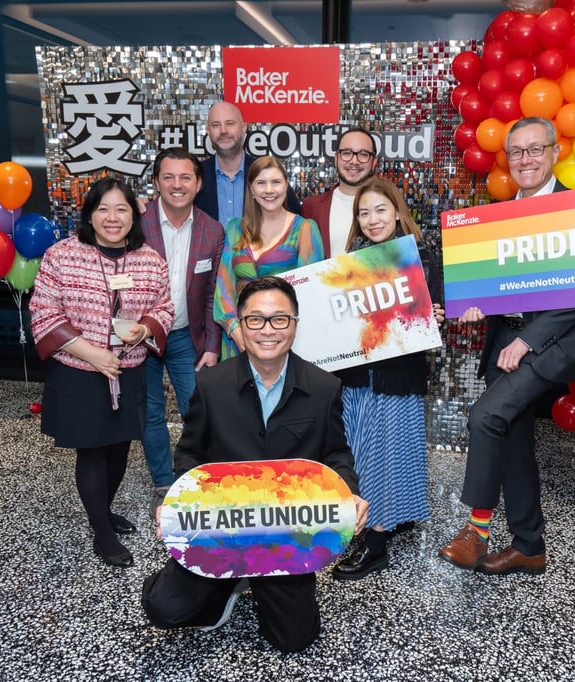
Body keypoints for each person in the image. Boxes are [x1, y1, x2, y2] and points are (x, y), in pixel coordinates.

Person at [142, 275, 368, 653]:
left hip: (285, 533)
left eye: (279, 319)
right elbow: (191, 455)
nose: (267, 330)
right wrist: (174, 500)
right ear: (240, 327)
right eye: (255, 320)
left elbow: (336, 455)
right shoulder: (211, 385)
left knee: (295, 639)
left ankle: (256, 583)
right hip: (221, 525)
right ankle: (226, 586)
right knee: (164, 610)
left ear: (294, 325)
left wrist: (350, 494)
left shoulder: (324, 387)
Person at [438, 117, 575, 576]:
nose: (525, 160)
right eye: (516, 152)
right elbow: (499, 287)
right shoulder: (502, 212)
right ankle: (530, 546)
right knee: (512, 441)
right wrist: (474, 306)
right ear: (507, 159)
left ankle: (476, 531)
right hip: (503, 341)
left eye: (535, 150)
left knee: (485, 416)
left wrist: (528, 341)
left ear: (555, 152)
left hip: (549, 344)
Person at [30, 177, 173, 568]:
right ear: (90, 214)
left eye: (121, 209)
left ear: (134, 215)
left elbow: (164, 308)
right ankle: (103, 533)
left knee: (119, 450)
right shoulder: (61, 256)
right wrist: (93, 354)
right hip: (79, 370)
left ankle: (103, 511)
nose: (113, 218)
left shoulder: (149, 260)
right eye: (103, 209)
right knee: (91, 452)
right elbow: (44, 313)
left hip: (128, 371)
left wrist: (144, 330)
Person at [331, 176, 444, 581]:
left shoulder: (420, 256)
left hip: (398, 376)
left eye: (380, 210)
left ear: (397, 211)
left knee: (390, 454)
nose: (372, 219)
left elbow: (435, 311)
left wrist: (435, 315)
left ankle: (376, 546)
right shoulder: (348, 262)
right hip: (358, 375)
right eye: (364, 212)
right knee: (361, 452)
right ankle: (378, 518)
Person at [140, 148, 225, 517]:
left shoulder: (212, 229)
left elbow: (212, 294)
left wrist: (211, 345)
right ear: (157, 181)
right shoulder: (136, 223)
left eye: (185, 177)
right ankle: (163, 481)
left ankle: (192, 477)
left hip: (186, 337)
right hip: (139, 337)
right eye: (169, 177)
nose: (177, 185)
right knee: (151, 412)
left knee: (198, 409)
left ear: (198, 183)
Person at [213, 155, 324, 358]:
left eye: (276, 182)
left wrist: (277, 332)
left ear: (286, 185)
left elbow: (310, 295)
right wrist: (235, 329)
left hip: (283, 340)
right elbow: (224, 285)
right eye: (261, 183)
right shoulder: (235, 228)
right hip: (238, 340)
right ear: (252, 189)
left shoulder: (304, 229)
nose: (269, 190)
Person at [195, 101, 301, 225]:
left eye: (230, 123)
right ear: (208, 131)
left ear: (243, 128)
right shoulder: (196, 175)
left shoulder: (266, 173)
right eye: (216, 125)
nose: (223, 130)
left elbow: (295, 220)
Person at [301, 127, 378, 258]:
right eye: (347, 153)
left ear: (374, 162)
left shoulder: (390, 206)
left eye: (363, 154)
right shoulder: (311, 207)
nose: (354, 161)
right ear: (336, 158)